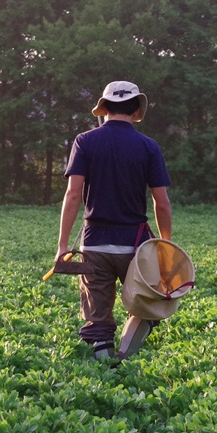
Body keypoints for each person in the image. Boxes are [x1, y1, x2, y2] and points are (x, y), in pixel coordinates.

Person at [55, 80, 172, 361]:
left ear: (104, 108)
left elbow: (73, 196)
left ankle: (105, 368)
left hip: (95, 244)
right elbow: (162, 202)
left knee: (98, 319)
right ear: (135, 110)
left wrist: (62, 246)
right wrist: (165, 247)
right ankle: (125, 357)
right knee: (146, 306)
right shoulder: (148, 146)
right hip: (136, 247)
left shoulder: (85, 141)